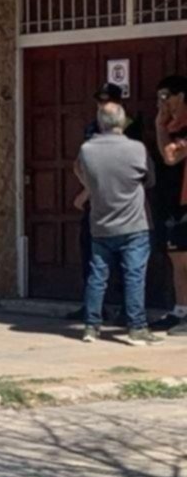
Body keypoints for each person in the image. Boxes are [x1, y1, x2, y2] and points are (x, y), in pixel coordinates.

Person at [78, 102, 161, 345]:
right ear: (123, 122)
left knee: (97, 276)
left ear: (100, 122)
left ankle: (91, 327)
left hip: (100, 223)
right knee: (134, 275)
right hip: (134, 224)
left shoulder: (87, 150)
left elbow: (84, 176)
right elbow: (150, 180)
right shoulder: (137, 149)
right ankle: (136, 328)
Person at [68, 84, 143, 321]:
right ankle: (93, 310)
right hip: (97, 203)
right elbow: (81, 165)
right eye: (100, 101)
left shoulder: (131, 129)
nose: (103, 105)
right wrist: (89, 190)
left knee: (127, 264)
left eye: (108, 101)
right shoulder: (93, 128)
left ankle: (126, 310)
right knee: (91, 258)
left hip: (125, 206)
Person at [153, 74, 187, 334]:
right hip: (170, 201)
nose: (162, 104)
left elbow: (170, 156)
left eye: (166, 97)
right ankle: (180, 310)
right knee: (176, 258)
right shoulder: (171, 125)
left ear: (181, 97)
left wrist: (159, 126)